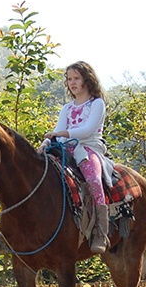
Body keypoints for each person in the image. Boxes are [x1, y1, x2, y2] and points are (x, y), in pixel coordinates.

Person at [39, 61, 116, 254]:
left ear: (86, 80)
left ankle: (100, 232)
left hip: (89, 148)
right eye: (69, 79)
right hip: (64, 147)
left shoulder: (96, 103)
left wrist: (64, 134)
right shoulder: (67, 108)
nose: (72, 83)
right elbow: (57, 131)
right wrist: (46, 143)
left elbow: (87, 130)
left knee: (94, 181)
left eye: (76, 78)